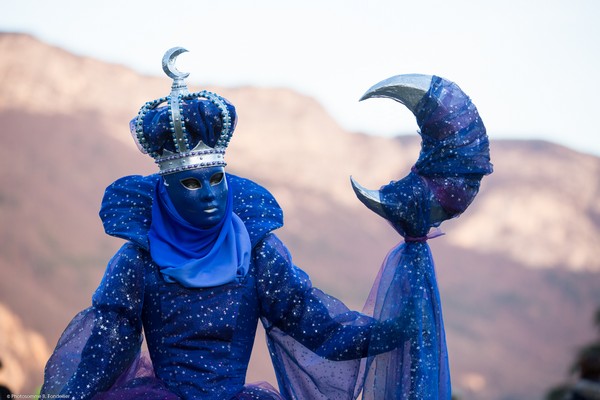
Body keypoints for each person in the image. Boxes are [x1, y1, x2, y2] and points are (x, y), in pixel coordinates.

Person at [40, 48, 491, 400]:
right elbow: (104, 352)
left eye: (217, 178)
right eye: (193, 183)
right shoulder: (137, 262)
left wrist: (392, 330)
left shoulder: (257, 252)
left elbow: (315, 324)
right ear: (165, 191)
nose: (212, 193)